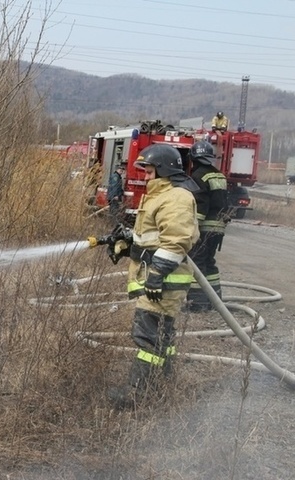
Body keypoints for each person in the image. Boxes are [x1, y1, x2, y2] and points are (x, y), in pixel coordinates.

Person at [108, 144, 199, 409]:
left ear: (163, 170)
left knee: (148, 336)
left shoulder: (176, 197)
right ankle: (162, 382)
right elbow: (152, 239)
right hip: (159, 279)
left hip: (163, 282)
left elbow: (176, 241)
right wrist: (128, 246)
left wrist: (157, 274)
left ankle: (137, 394)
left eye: (149, 172)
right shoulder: (160, 196)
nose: (146, 177)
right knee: (162, 335)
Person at [186, 141, 230, 312]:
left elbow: (201, 205)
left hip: (204, 227)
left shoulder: (198, 176)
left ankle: (198, 303)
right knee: (209, 262)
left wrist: (193, 227)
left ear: (193, 159)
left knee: (197, 262)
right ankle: (215, 300)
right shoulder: (219, 175)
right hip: (218, 227)